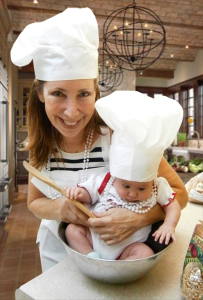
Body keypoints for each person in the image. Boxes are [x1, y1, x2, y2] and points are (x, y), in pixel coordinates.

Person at [10, 7, 188, 272]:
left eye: (83, 94)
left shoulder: (120, 133)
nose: (72, 111)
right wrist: (60, 209)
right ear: (40, 92)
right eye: (58, 93)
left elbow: (180, 195)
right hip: (57, 257)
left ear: (95, 91)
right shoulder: (42, 144)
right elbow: (34, 202)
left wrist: (136, 219)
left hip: (121, 260)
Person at [65, 92, 182, 260]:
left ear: (153, 177)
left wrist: (169, 224)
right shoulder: (106, 181)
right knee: (73, 230)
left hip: (128, 246)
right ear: (116, 176)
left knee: (145, 252)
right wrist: (77, 194)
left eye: (142, 188)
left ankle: (121, 266)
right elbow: (87, 194)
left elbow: (173, 205)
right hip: (94, 239)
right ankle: (91, 257)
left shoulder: (158, 186)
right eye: (126, 186)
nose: (133, 193)